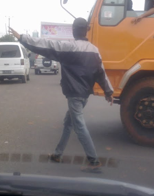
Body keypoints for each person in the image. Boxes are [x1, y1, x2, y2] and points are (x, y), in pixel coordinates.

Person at [9, 18, 113, 173]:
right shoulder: (94, 50)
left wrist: (22, 38)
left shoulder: (67, 48)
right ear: (86, 30)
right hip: (84, 95)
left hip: (74, 94)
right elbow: (101, 73)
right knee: (68, 122)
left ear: (73, 30)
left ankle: (94, 160)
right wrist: (108, 92)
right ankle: (58, 154)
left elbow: (44, 45)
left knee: (79, 126)